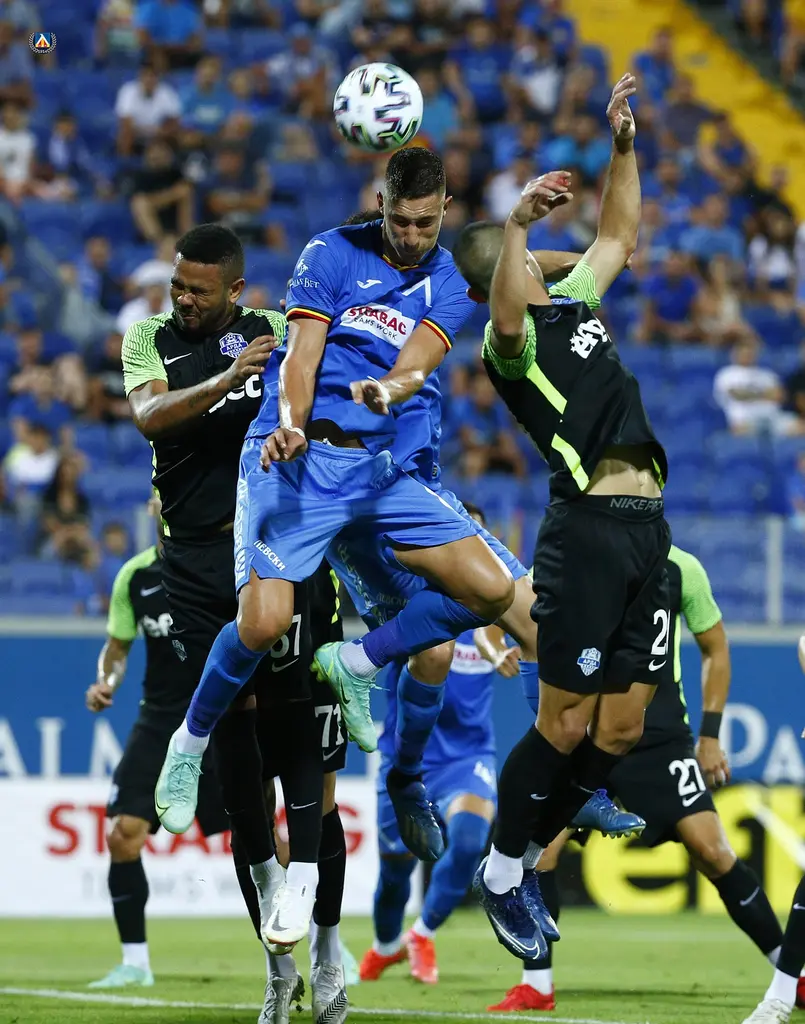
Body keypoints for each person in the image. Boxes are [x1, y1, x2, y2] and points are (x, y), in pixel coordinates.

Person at [154, 149, 528, 944]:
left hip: (378, 472)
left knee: (491, 590)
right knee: (262, 623)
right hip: (295, 457)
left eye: (424, 223)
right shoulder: (328, 253)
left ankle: (358, 664)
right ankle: (188, 743)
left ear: (444, 211)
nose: (411, 236)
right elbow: (302, 353)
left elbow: (421, 359)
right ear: (379, 202)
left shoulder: (448, 277)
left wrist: (391, 387)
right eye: (398, 220)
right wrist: (291, 422)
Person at [451, 74, 671, 960]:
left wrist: (622, 146)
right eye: (525, 256)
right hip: (585, 532)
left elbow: (618, 234)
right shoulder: (506, 346)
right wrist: (514, 225)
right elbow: (507, 309)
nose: (545, 259)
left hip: (647, 532)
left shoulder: (574, 301)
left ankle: (543, 831)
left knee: (619, 728)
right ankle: (505, 871)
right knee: (563, 723)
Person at [121, 224, 344, 1019]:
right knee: (233, 752)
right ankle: (277, 967)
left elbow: (318, 385)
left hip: (268, 551)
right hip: (189, 563)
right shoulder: (147, 339)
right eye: (178, 286)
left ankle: (325, 947)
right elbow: (150, 417)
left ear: (235, 291)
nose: (183, 300)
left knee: (297, 735)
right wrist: (225, 382)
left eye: (199, 290)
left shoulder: (272, 329)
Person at [490, 545, 785, 1013]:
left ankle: (791, 974)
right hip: (585, 733)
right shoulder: (577, 551)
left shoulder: (682, 568)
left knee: (712, 850)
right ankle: (537, 983)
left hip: (658, 737)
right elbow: (505, 600)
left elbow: (715, 648)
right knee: (543, 850)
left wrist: (710, 735)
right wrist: (505, 649)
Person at [84, 499, 228, 989]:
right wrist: (106, 681)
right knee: (123, 834)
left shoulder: (225, 564)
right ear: (154, 508)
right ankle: (135, 964)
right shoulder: (135, 576)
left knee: (269, 841)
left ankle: (323, 942)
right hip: (161, 718)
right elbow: (117, 648)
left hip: (222, 719)